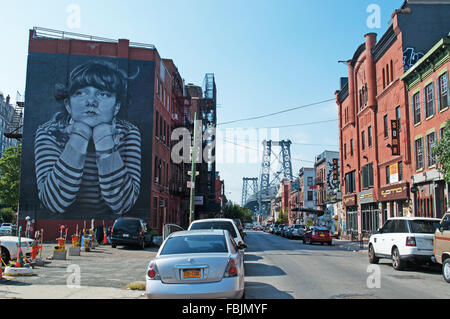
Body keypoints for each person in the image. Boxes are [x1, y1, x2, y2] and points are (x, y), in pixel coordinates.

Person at [34, 60, 142, 216]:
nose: (91, 102)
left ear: (116, 106)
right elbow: (54, 202)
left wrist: (104, 139)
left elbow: (122, 204)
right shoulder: (49, 132)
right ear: (68, 105)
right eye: (80, 93)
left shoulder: (129, 132)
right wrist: (80, 135)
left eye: (103, 94)